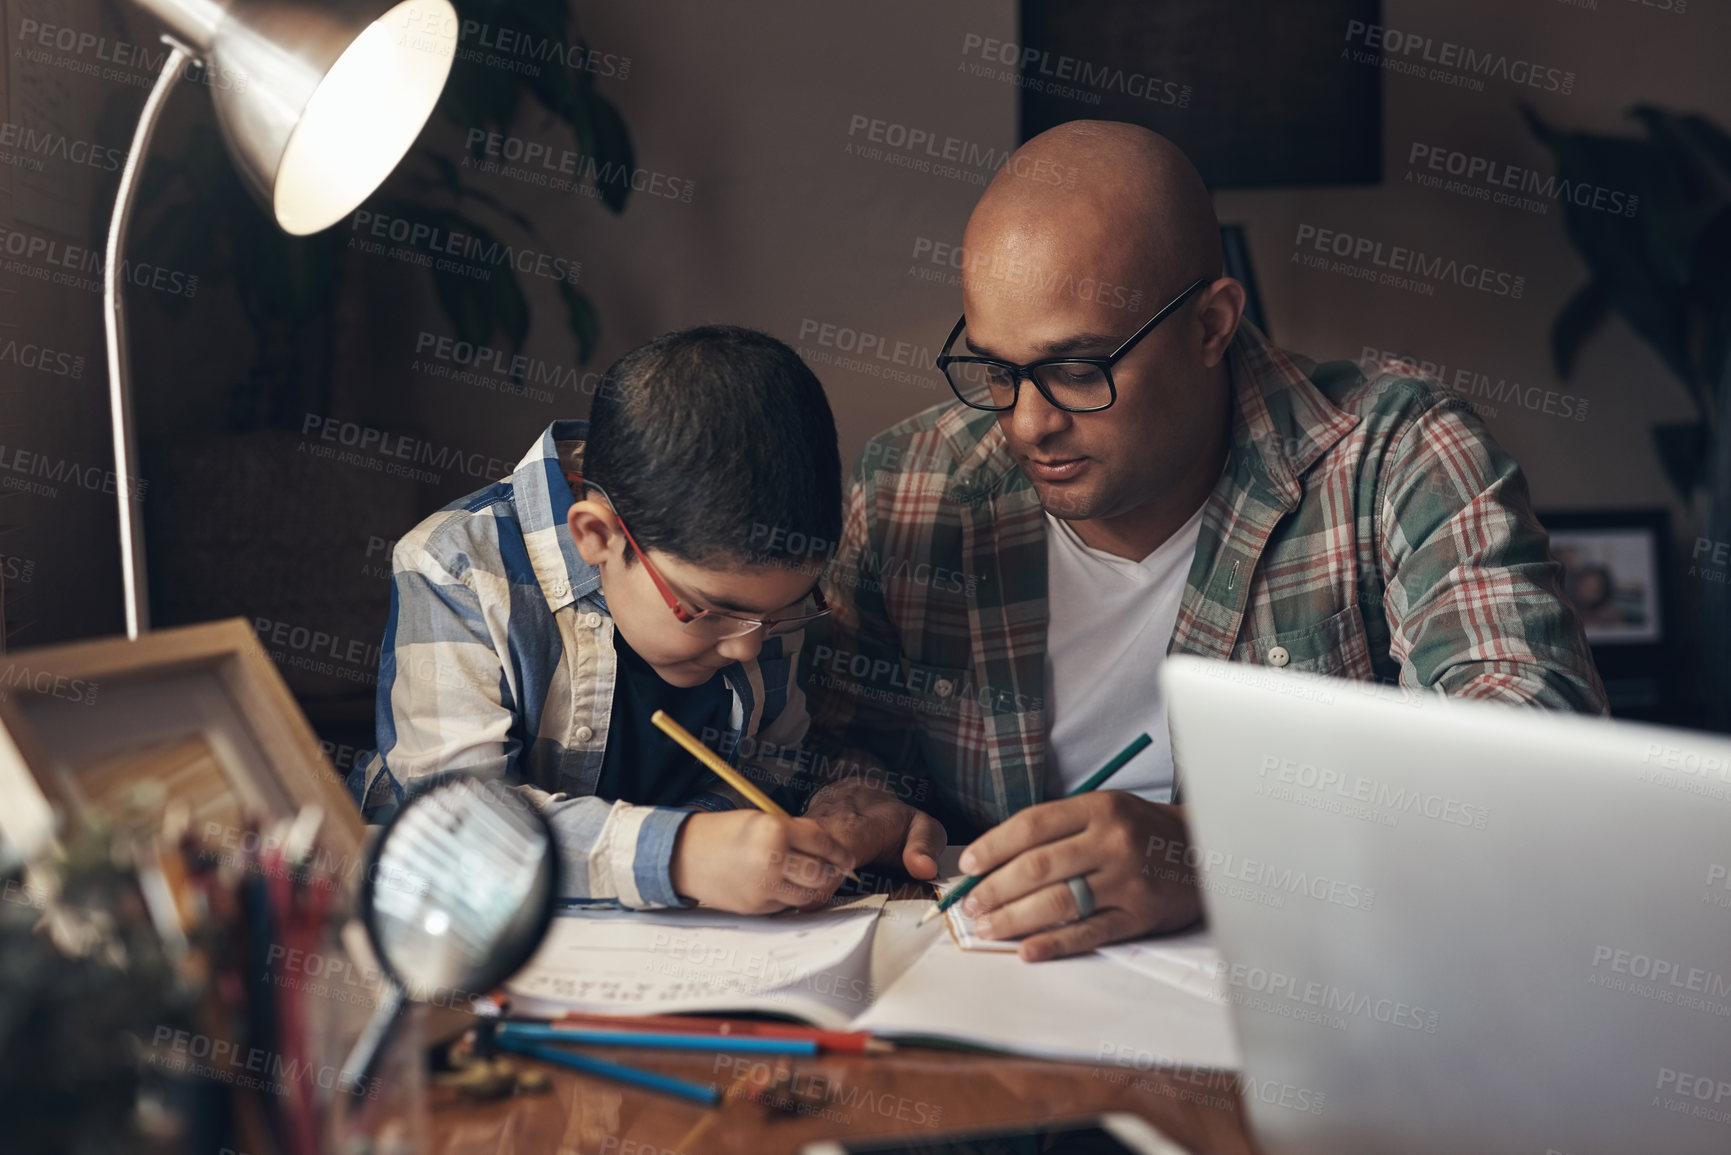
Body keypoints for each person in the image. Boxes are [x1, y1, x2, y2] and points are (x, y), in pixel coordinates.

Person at [803, 121, 1607, 960]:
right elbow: (840, 741)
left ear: (1211, 325)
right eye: (996, 371)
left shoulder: (1393, 455)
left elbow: (1534, 758)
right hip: (997, 987)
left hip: (1319, 984)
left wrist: (1213, 854)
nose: (1028, 422)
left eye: (1078, 370)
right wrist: (857, 803)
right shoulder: (912, 483)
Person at [351, 325, 941, 913]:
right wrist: (680, 854)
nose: (748, 649)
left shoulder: (756, 608)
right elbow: (459, 831)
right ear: (597, 535)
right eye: (712, 613)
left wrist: (757, 832)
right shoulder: (458, 568)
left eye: (783, 615)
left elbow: (769, 767)